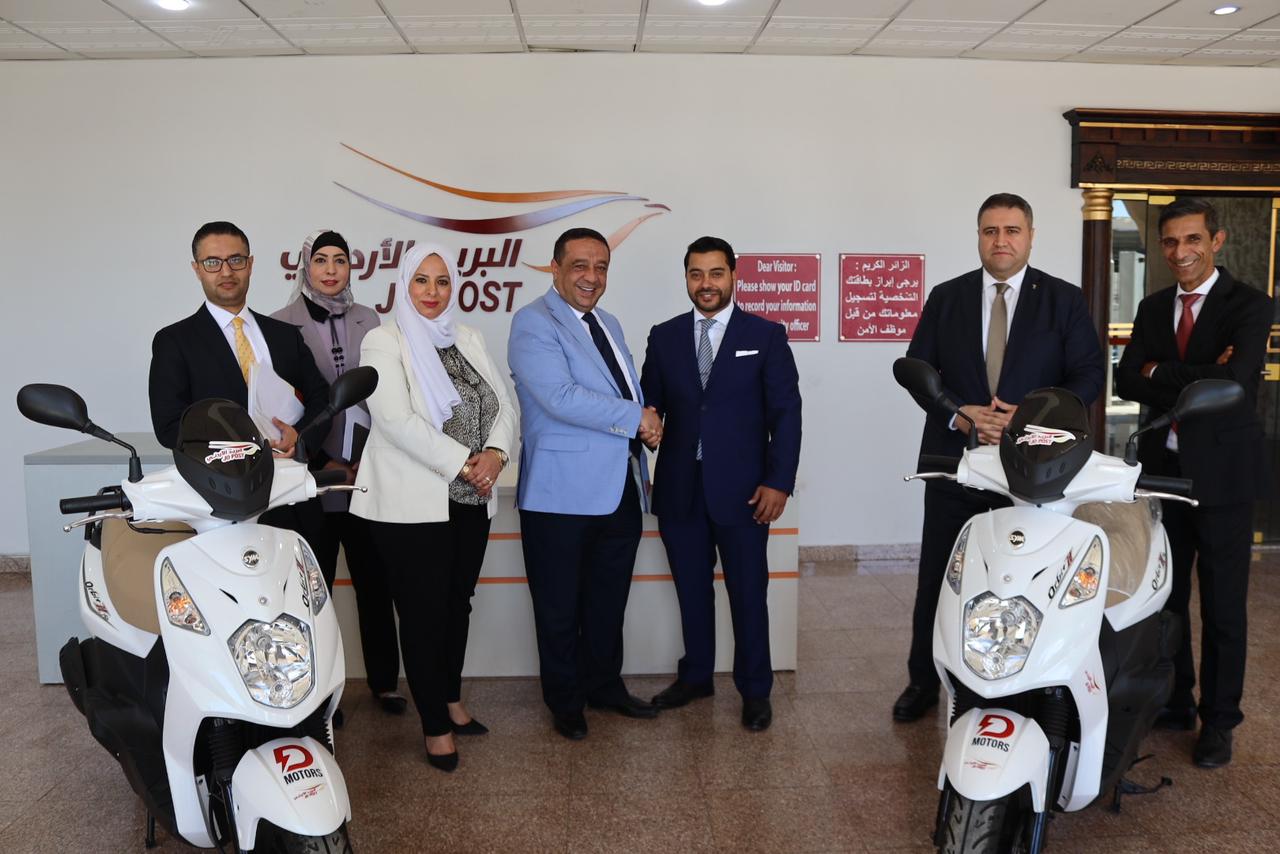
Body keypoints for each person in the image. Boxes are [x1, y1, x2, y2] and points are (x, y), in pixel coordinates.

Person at [897, 193, 1105, 722]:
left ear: (1030, 237)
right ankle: (922, 680)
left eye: (1012, 230)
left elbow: (1088, 376)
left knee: (1023, 578)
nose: (1001, 240)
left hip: (1034, 472)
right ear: (978, 237)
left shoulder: (1063, 299)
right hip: (955, 463)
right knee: (941, 575)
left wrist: (1032, 417)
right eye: (991, 231)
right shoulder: (947, 297)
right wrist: (958, 414)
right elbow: (918, 370)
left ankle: (1024, 684)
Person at [1115, 198, 1270, 769]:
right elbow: (1125, 379)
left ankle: (1219, 721)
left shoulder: (1250, 305)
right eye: (1170, 241)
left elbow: (1236, 382)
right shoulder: (1153, 307)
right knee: (1166, 597)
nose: (1181, 252)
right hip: (1164, 474)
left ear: (1216, 240)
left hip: (1224, 477)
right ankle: (1175, 701)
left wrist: (1160, 370)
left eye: (1193, 240)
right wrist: (1198, 372)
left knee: (1224, 608)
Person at [350, 243, 516, 773]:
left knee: (456, 605)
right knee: (423, 614)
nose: (432, 291)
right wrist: (466, 463)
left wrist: (496, 454)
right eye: (421, 280)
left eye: (442, 281)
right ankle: (435, 726)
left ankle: (450, 698)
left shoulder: (468, 337)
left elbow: (503, 406)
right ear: (404, 284)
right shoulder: (383, 340)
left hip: (471, 500)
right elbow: (395, 420)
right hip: (411, 506)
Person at [639, 236, 802, 732]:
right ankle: (696, 677)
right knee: (691, 592)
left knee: (748, 594)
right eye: (696, 274)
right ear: (686, 278)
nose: (705, 284)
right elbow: (650, 400)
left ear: (734, 275)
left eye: (715, 273)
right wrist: (648, 418)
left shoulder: (766, 335)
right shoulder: (664, 336)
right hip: (680, 489)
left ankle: (755, 690)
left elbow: (786, 414)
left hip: (746, 493)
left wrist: (779, 482)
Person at [507, 227, 663, 741]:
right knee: (558, 607)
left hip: (619, 488)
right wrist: (637, 418)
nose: (591, 277)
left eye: (600, 267)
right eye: (579, 265)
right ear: (554, 268)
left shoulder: (608, 323)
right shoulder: (533, 322)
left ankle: (604, 687)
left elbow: (623, 392)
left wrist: (647, 419)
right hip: (559, 494)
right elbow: (560, 396)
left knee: (607, 601)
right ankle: (566, 700)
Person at [271, 229, 405, 717]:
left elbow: (385, 392)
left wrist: (368, 456)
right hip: (312, 477)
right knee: (315, 589)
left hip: (366, 473)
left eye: (340, 260)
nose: (331, 270)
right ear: (305, 267)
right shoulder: (280, 324)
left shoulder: (370, 318)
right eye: (321, 260)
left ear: (352, 267)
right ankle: (323, 691)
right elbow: (281, 404)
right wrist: (319, 459)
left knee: (376, 582)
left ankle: (385, 684)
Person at [148, 221, 330, 540]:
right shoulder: (174, 341)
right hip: (219, 507)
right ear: (196, 269)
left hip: (292, 499)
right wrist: (241, 448)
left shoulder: (285, 335)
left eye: (236, 260)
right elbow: (169, 427)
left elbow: (322, 399)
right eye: (212, 262)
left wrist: (300, 438)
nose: (226, 271)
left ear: (250, 264)